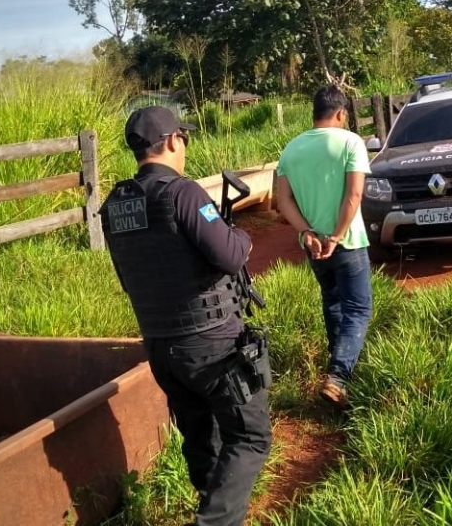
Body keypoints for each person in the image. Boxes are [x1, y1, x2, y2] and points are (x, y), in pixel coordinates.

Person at [100, 106, 271, 526]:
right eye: (185, 139)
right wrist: (243, 235)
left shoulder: (115, 206)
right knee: (249, 437)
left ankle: (211, 508)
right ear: (174, 140)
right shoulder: (183, 192)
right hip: (211, 345)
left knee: (201, 435)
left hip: (161, 347)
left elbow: (133, 277)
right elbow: (231, 255)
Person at [276, 85, 373, 409]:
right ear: (342, 113)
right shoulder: (350, 142)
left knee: (332, 302)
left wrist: (306, 232)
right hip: (346, 243)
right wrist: (337, 235)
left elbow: (283, 200)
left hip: (313, 245)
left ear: (314, 113)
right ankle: (339, 377)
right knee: (358, 309)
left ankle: (338, 372)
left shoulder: (291, 149)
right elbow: (354, 196)